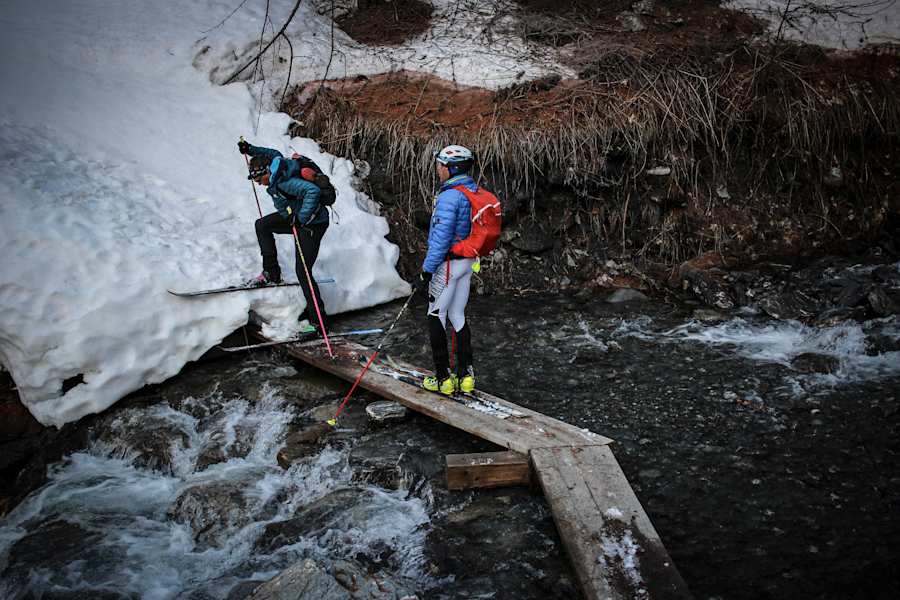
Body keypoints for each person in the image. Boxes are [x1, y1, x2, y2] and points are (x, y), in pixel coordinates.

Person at [238, 139, 330, 335]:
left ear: (266, 173)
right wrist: (250, 149)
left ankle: (319, 323)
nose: (259, 184)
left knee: (303, 271)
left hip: (312, 224)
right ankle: (271, 272)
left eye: (258, 180)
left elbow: (312, 191)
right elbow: (271, 151)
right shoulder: (276, 164)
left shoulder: (286, 182)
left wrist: (301, 218)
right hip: (294, 216)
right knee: (262, 225)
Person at [411, 144, 482, 395]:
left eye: (441, 165)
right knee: (458, 315)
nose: (438, 169)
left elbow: (440, 239)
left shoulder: (450, 196)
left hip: (449, 264)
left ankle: (443, 380)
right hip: (467, 263)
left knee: (435, 316)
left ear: (452, 168)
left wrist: (425, 272)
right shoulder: (473, 190)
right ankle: (466, 377)